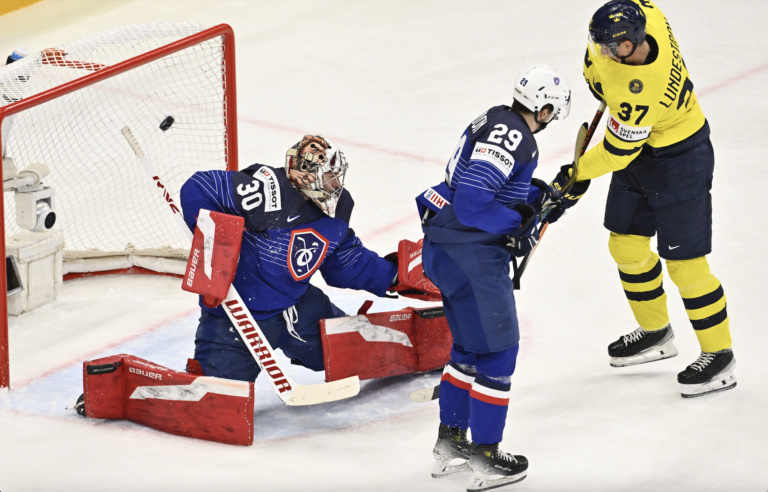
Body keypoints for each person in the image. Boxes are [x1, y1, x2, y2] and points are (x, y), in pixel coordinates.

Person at [418, 64, 576, 491]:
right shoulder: (514, 135)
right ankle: (486, 457)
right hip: (470, 256)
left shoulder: (495, 118)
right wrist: (517, 219)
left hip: (444, 249)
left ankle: (449, 444)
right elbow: (473, 202)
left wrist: (542, 197)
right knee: (500, 352)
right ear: (543, 108)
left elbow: (492, 188)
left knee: (468, 349)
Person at [569, 0, 735, 398]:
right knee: (624, 245)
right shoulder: (648, 14)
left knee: (685, 265)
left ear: (637, 40)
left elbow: (615, 153)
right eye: (602, 44)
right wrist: (603, 75)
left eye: (615, 47)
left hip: (681, 161)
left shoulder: (640, 89)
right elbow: (600, 70)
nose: (606, 52)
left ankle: (720, 356)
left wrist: (574, 173)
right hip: (642, 149)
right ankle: (657, 332)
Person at [179, 135, 398, 382]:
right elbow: (199, 187)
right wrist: (215, 241)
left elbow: (346, 261)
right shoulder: (265, 190)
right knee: (217, 402)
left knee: (356, 354)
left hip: (301, 308)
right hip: (236, 318)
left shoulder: (337, 209)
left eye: (337, 176)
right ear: (306, 172)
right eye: (329, 177)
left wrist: (394, 275)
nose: (335, 185)